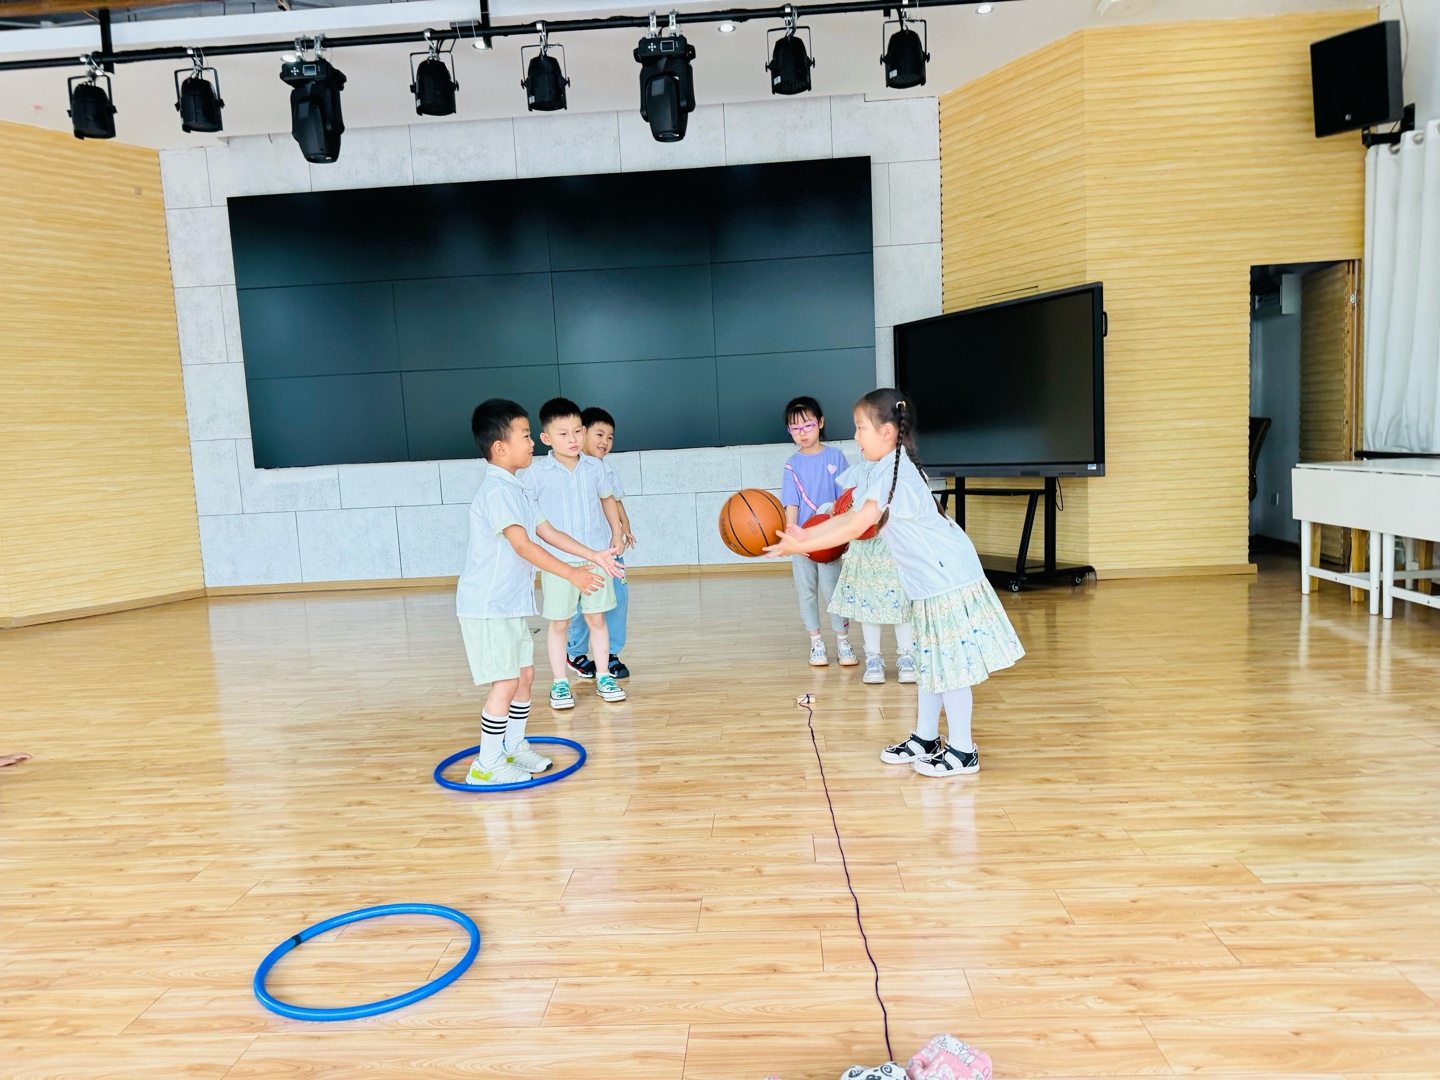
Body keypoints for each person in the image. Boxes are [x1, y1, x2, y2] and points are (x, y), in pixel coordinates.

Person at [766, 388, 1024, 777]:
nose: (855, 436)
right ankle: (925, 738)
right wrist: (804, 535)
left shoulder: (895, 473)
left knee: (950, 666)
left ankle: (963, 750)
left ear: (887, 432)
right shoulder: (883, 467)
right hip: (927, 583)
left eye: (860, 428)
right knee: (930, 659)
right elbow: (847, 515)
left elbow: (856, 525)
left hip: (947, 579)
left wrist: (799, 546)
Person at [456, 398, 623, 786]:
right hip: (487, 605)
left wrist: (593, 556)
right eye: (526, 436)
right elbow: (523, 546)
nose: (533, 443)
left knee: (525, 676)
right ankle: (487, 764)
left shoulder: (517, 488)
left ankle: (513, 746)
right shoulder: (496, 492)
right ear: (501, 447)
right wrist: (572, 574)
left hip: (509, 604)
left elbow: (548, 532)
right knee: (505, 683)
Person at [522, 397, 628, 710]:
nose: (573, 439)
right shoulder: (535, 473)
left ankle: (604, 676)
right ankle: (559, 683)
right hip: (558, 565)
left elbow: (608, 499)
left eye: (578, 431)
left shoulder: (596, 468)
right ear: (546, 438)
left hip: (598, 557)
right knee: (559, 623)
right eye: (563, 433)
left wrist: (617, 533)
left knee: (597, 617)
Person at [828, 453, 918, 685]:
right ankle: (873, 658)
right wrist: (836, 511)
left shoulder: (904, 468)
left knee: (901, 603)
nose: (859, 439)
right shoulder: (859, 471)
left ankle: (907, 656)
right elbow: (846, 506)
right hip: (865, 547)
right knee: (867, 604)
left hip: (895, 544)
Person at [780, 396, 856, 668]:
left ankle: (842, 641)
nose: (802, 433)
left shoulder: (836, 457)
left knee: (833, 590)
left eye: (807, 425)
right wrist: (792, 535)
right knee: (807, 591)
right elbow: (791, 503)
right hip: (802, 541)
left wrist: (843, 533)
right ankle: (816, 643)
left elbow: (846, 499)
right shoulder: (792, 464)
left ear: (820, 423)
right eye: (795, 428)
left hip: (829, 539)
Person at [566, 407, 635, 680]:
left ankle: (611, 654)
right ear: (581, 434)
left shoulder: (607, 470)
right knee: (581, 606)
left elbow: (615, 501)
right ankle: (576, 653)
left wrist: (624, 526)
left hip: (610, 551)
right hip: (582, 554)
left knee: (618, 601)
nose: (605, 441)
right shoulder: (570, 471)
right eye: (599, 434)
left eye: (610, 437)